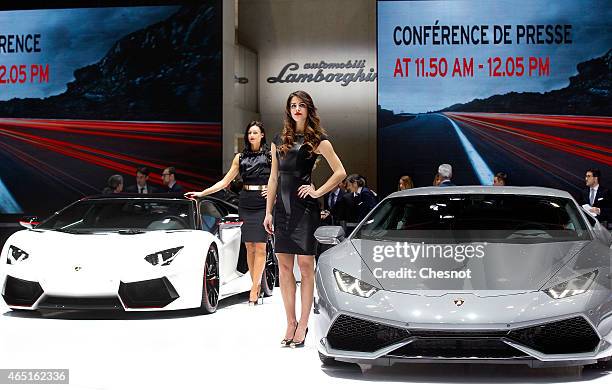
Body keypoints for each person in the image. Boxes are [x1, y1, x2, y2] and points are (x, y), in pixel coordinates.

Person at [263, 90, 346, 349]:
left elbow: (340, 172)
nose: (297, 109)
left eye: (301, 105)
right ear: (288, 110)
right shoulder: (278, 140)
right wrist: (268, 211)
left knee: (306, 267)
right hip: (282, 211)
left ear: (309, 109)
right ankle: (290, 322)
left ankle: (303, 323)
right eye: (293, 105)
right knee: (284, 268)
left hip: (305, 210)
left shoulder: (318, 141)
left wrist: (318, 191)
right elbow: (273, 178)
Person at [185, 121, 271, 305]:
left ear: (262, 135)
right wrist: (202, 193)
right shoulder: (240, 157)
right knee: (249, 246)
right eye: (249, 133)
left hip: (264, 202)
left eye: (255, 132)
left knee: (261, 246)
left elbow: (279, 179)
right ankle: (253, 283)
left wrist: (273, 192)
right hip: (246, 201)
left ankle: (255, 288)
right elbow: (224, 182)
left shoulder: (271, 156)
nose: (252, 135)